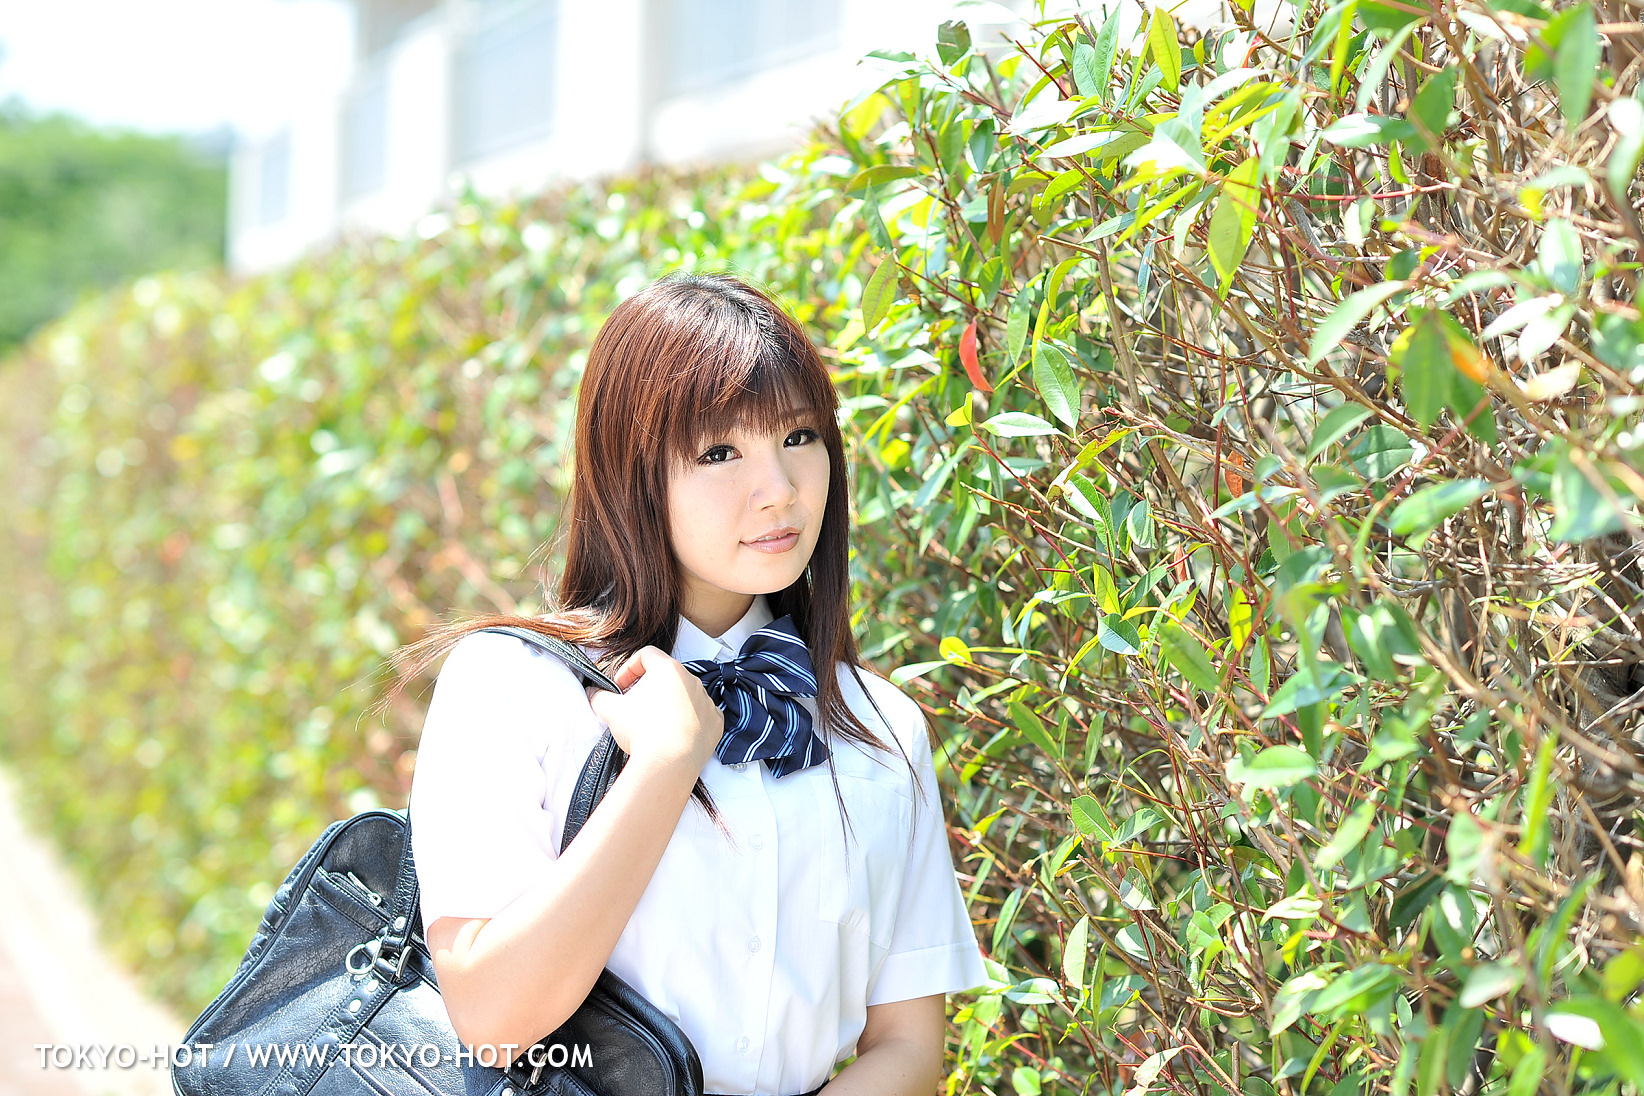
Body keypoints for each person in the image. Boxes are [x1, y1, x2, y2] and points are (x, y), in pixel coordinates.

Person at [388, 272, 988, 1096]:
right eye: (719, 452)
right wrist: (666, 765)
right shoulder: (512, 687)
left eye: (800, 437)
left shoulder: (880, 725)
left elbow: (910, 1048)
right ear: (630, 473)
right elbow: (492, 1017)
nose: (780, 490)